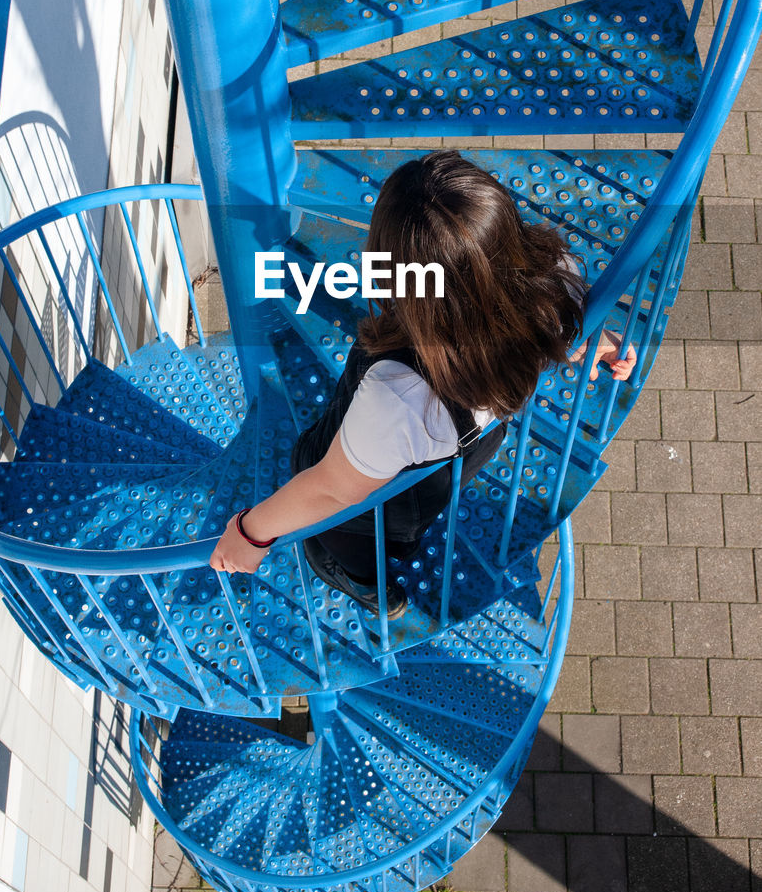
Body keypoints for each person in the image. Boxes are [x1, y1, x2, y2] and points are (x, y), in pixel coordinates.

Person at [209, 151, 635, 615]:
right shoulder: (558, 278)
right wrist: (600, 340)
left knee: (341, 528)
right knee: (405, 514)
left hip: (386, 476)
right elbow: (559, 328)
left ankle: (364, 583)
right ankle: (391, 558)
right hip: (469, 444)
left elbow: (330, 490)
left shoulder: (400, 398)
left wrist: (251, 532)